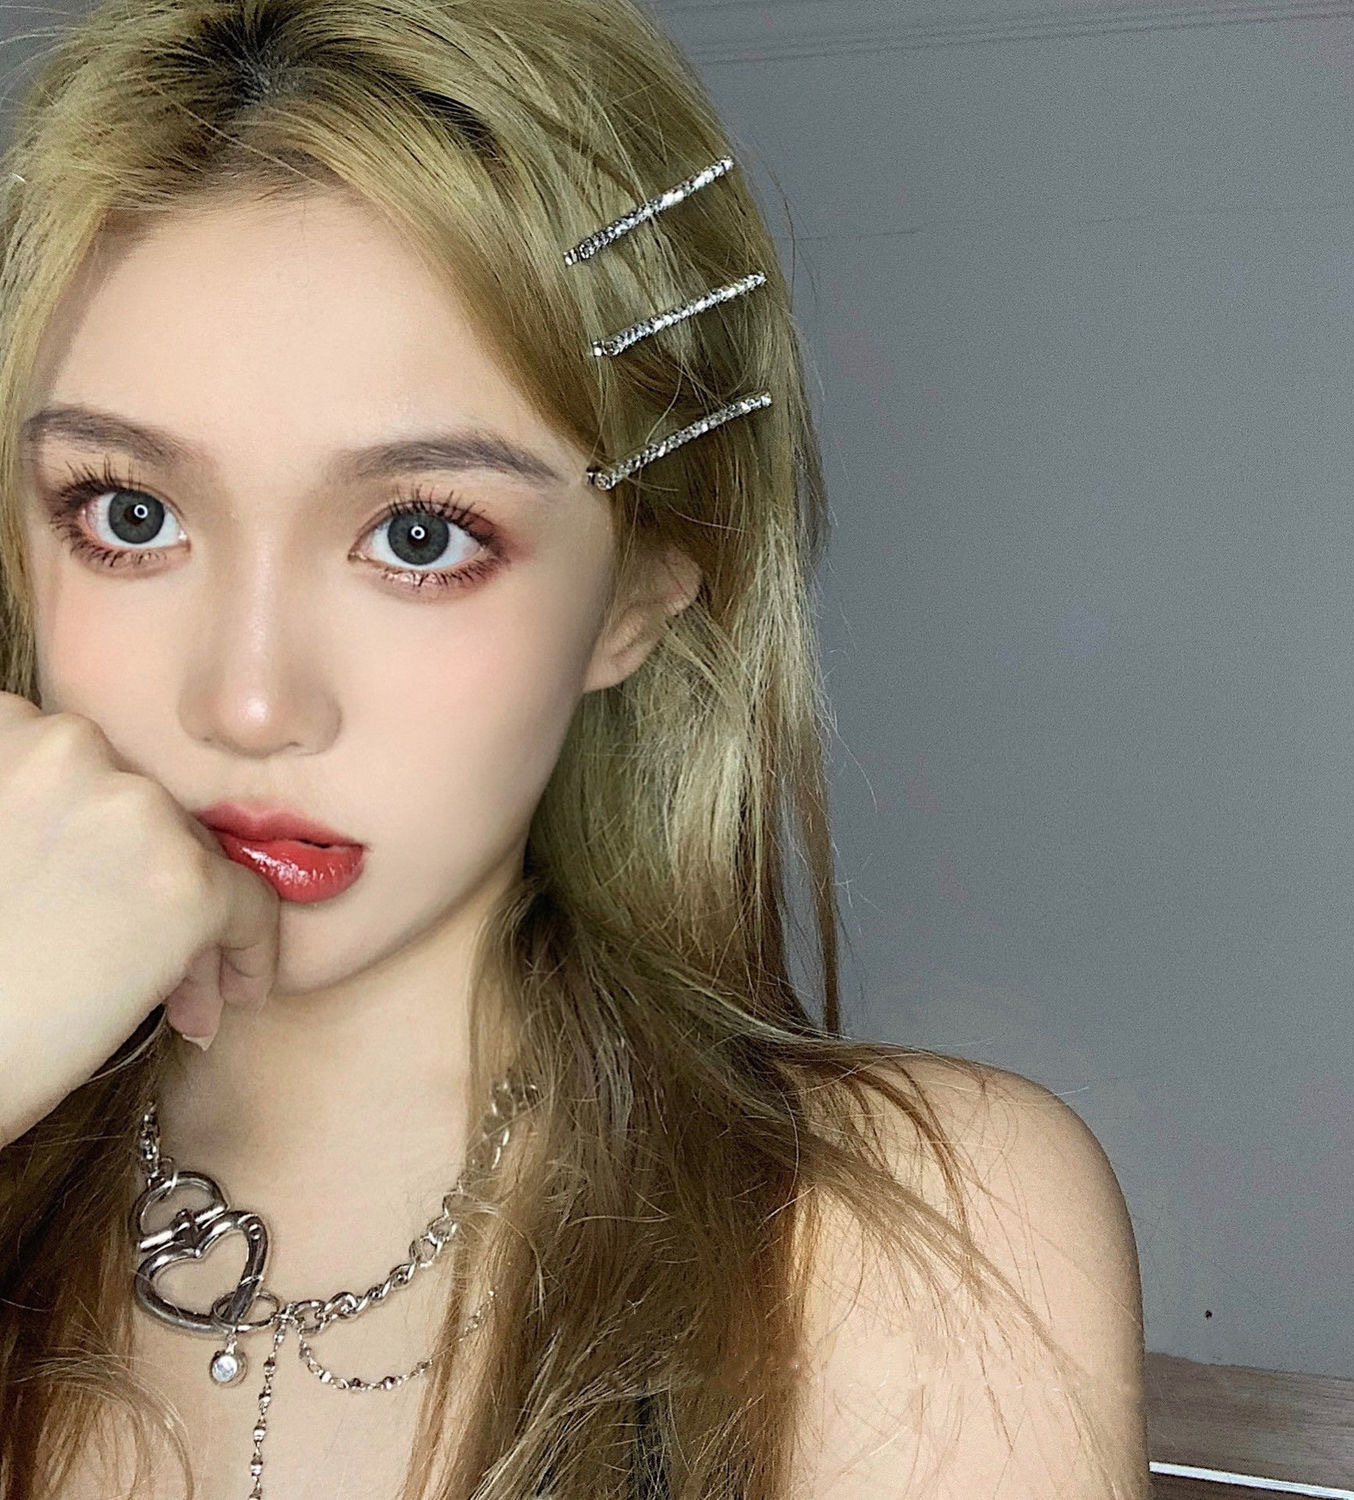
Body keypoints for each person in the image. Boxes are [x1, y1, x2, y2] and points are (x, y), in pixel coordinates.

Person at [0, 1, 1148, 1496]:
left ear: (636, 595)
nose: (252, 702)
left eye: (422, 535)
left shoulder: (911, 1234)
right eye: (130, 514)